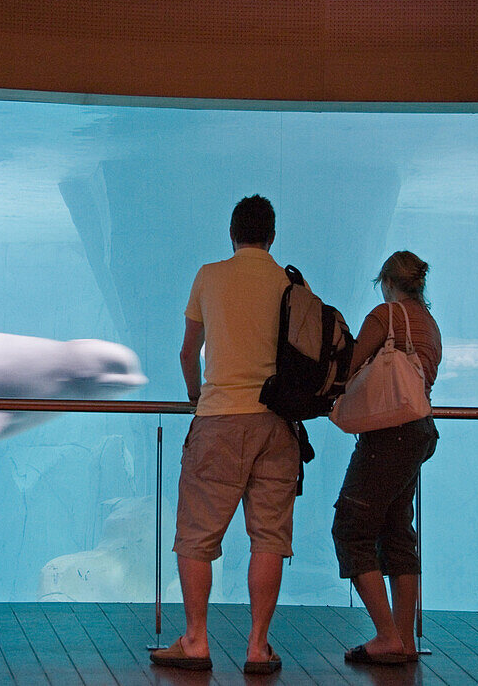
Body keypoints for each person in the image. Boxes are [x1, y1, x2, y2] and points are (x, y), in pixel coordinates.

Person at [150, 195, 299, 675]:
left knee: (196, 536)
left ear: (231, 234)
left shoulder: (210, 276)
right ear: (272, 237)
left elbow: (187, 351)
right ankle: (258, 646)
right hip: (276, 425)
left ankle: (196, 640)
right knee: (269, 537)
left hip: (218, 419)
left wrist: (197, 397)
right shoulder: (288, 285)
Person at [332, 250, 442, 666]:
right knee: (397, 530)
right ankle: (406, 639)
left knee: (351, 528)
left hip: (386, 437)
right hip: (418, 433)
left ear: (387, 282)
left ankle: (385, 635)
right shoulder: (429, 326)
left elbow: (350, 367)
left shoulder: (387, 316)